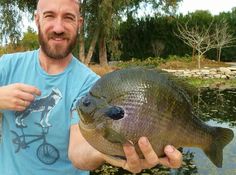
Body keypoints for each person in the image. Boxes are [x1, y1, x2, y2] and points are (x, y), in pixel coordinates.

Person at [0, 0, 182, 174]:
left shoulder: (92, 86)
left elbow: (79, 152)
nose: (58, 28)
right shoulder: (7, 66)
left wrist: (106, 151)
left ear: (79, 23)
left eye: (68, 17)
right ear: (36, 18)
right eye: (49, 16)